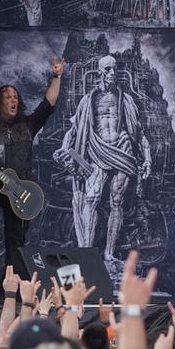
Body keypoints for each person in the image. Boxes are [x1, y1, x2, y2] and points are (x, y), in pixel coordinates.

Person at [0, 53, 63, 274]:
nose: (13, 99)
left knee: (15, 245)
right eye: (8, 97)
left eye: (15, 96)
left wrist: (56, 77)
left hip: (20, 191)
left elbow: (48, 103)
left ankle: (10, 286)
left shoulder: (27, 125)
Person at [55, 55, 152, 268]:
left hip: (122, 151)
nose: (111, 73)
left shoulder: (126, 99)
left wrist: (147, 157)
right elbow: (74, 130)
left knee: (116, 202)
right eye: (107, 69)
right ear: (100, 72)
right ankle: (87, 253)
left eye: (114, 69)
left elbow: (138, 131)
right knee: (91, 198)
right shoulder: (88, 100)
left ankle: (109, 254)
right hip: (96, 150)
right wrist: (64, 148)